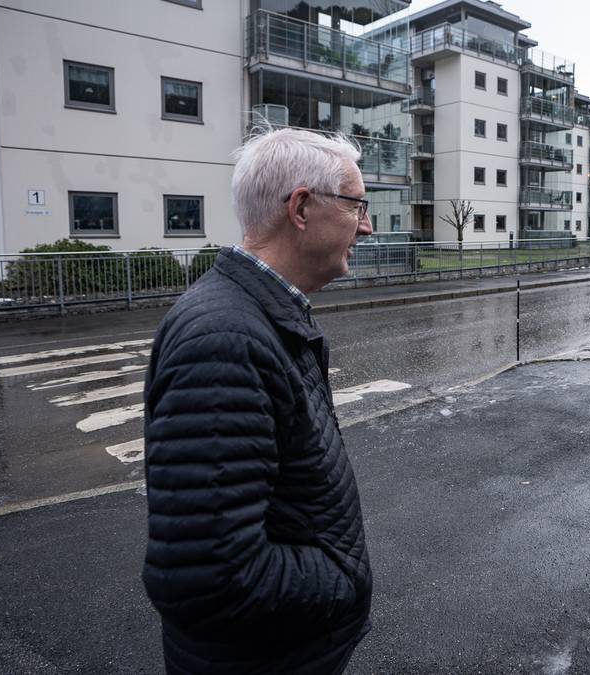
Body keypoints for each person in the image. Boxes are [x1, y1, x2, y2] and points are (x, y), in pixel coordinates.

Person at [142, 128, 374, 674]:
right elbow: (209, 577)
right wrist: (343, 583)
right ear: (300, 208)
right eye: (356, 205)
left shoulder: (259, 316)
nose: (366, 225)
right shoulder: (227, 338)